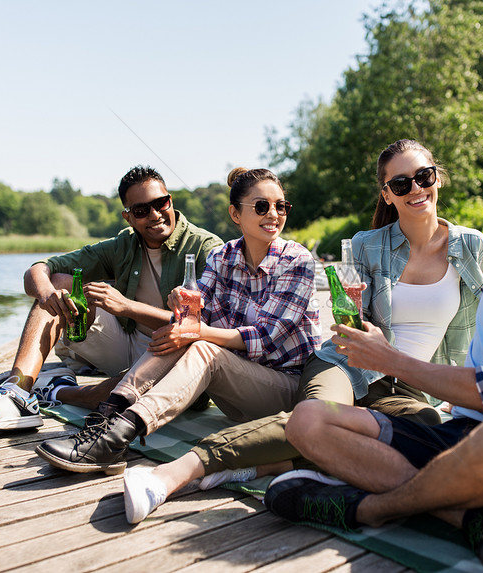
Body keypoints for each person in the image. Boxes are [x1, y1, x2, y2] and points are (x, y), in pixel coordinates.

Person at [263, 101, 483, 573]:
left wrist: (390, 360)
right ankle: (468, 516)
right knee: (308, 421)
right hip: (461, 431)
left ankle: (365, 509)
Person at [118, 139, 483, 524]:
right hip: (349, 362)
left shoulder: (471, 245)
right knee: (318, 416)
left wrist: (452, 390)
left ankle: (266, 465)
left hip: (412, 383)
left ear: (437, 179)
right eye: (401, 184)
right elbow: (348, 320)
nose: (415, 189)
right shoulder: (365, 244)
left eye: (423, 177)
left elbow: (473, 327)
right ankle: (173, 473)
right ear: (387, 194)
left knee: (428, 429)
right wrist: (356, 317)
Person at [34, 167, 323, 486]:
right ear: (235, 214)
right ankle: (107, 418)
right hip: (235, 391)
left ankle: (115, 436)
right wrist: (181, 306)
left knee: (199, 345)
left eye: (280, 206)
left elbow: (267, 338)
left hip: (284, 392)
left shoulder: (297, 260)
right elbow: (198, 313)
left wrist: (193, 330)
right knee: (181, 334)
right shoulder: (221, 257)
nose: (273, 214)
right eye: (261, 206)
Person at [0, 166, 223, 434]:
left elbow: (207, 329)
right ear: (128, 217)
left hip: (174, 351)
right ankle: (16, 392)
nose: (154, 215)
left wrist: (127, 307)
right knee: (60, 282)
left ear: (170, 201)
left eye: (160, 203)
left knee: (115, 396)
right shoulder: (123, 243)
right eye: (141, 210)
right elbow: (39, 270)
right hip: (126, 340)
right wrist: (48, 294)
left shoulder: (206, 248)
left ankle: (54, 389)